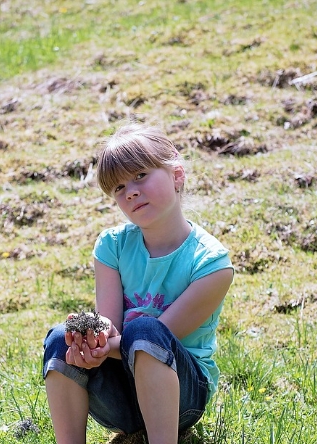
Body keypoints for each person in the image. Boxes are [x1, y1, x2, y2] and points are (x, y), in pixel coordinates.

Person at [43, 122, 234, 444]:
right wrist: (88, 337)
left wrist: (99, 347)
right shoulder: (112, 246)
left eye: (141, 175)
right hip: (121, 401)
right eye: (118, 188)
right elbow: (110, 324)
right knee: (62, 337)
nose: (130, 191)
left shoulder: (211, 265)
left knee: (146, 329)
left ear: (176, 175)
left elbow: (161, 338)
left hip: (182, 398)